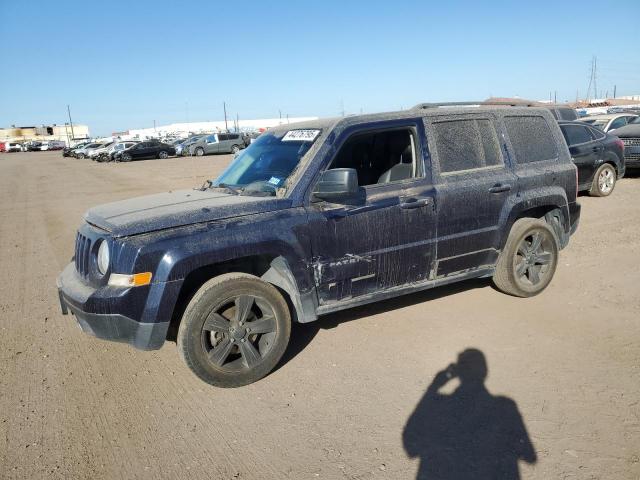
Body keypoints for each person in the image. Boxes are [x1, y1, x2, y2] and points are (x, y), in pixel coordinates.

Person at [403, 349, 536, 479]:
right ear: (485, 372)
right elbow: (529, 455)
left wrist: (434, 386)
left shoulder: (440, 406)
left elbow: (410, 441)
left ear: (459, 373)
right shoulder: (504, 408)